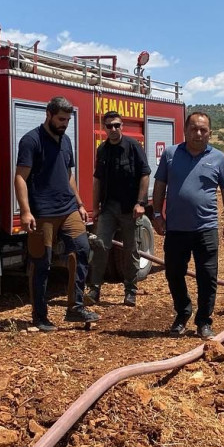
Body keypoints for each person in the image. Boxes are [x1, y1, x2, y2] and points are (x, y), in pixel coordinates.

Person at [15, 96, 100, 331]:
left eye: (67, 120)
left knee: (81, 250)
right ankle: (39, 315)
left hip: (68, 208)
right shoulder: (31, 141)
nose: (64, 124)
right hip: (43, 212)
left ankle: (75, 307)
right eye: (61, 119)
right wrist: (25, 211)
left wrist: (80, 203)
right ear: (48, 114)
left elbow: (68, 175)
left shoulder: (66, 141)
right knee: (42, 263)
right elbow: (20, 177)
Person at [151, 112, 224, 338]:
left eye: (203, 129)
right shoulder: (171, 154)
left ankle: (204, 321)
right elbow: (160, 184)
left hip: (206, 228)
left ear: (209, 132)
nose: (198, 133)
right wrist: (157, 215)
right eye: (194, 129)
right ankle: (182, 313)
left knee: (207, 276)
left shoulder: (218, 158)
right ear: (185, 130)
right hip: (176, 228)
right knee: (174, 273)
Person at [87, 111, 151, 307]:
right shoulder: (103, 150)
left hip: (129, 208)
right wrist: (95, 207)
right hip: (108, 207)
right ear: (105, 128)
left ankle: (130, 291)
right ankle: (94, 289)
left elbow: (145, 174)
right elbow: (97, 180)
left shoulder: (133, 147)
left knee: (131, 250)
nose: (113, 129)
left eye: (116, 125)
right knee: (100, 247)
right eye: (109, 126)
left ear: (122, 126)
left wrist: (140, 203)